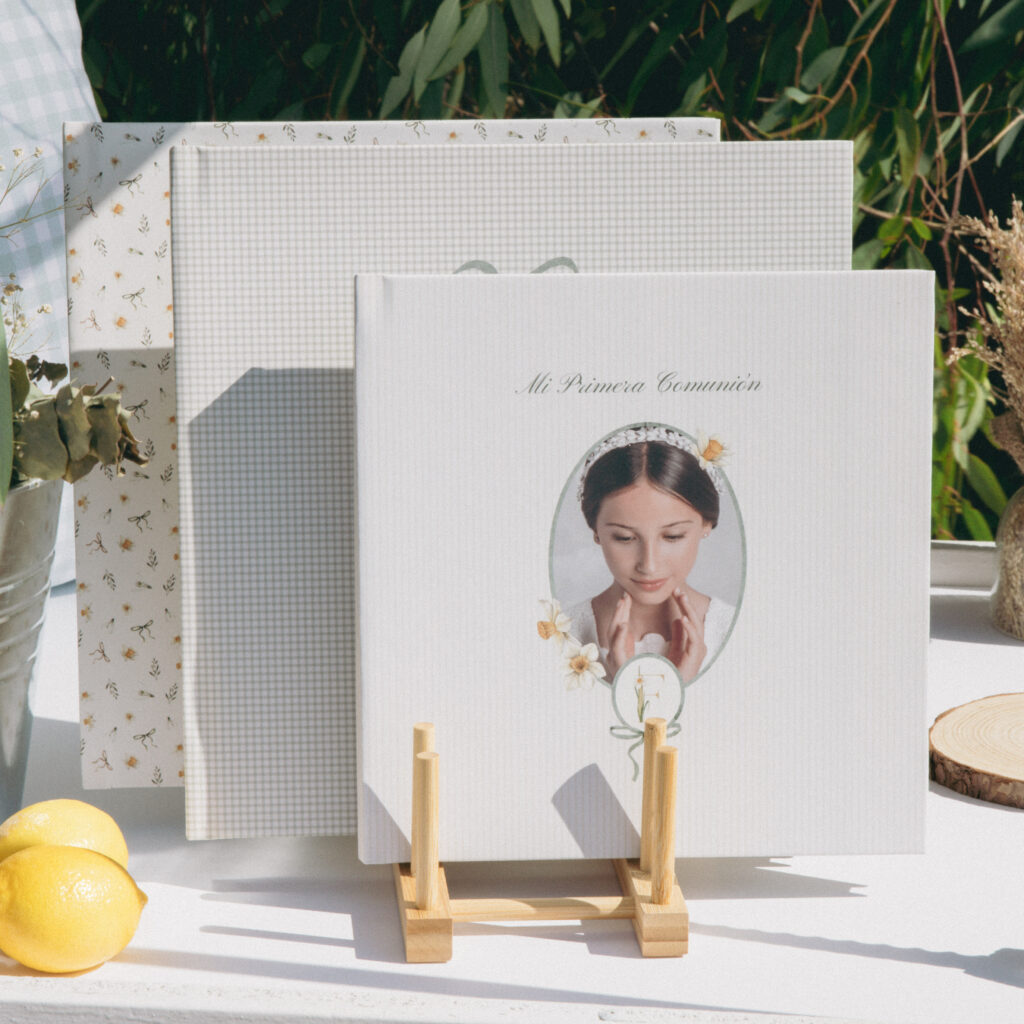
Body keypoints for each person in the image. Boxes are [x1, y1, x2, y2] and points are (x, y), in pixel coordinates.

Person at [568, 425, 735, 685]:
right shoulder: (565, 634)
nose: (649, 565)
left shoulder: (734, 629)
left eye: (673, 536)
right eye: (624, 538)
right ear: (596, 530)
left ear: (706, 524)